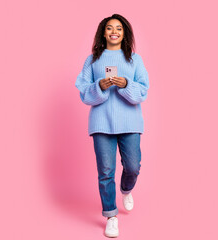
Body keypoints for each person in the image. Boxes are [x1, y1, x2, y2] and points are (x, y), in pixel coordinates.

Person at [75, 14, 149, 238]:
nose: (114, 31)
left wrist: (126, 84)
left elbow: (143, 91)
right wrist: (101, 86)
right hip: (101, 123)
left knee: (133, 166)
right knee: (105, 173)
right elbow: (83, 92)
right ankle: (111, 216)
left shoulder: (135, 60)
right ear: (103, 32)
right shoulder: (93, 60)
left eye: (119, 28)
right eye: (109, 28)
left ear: (124, 33)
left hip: (130, 122)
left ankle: (126, 189)